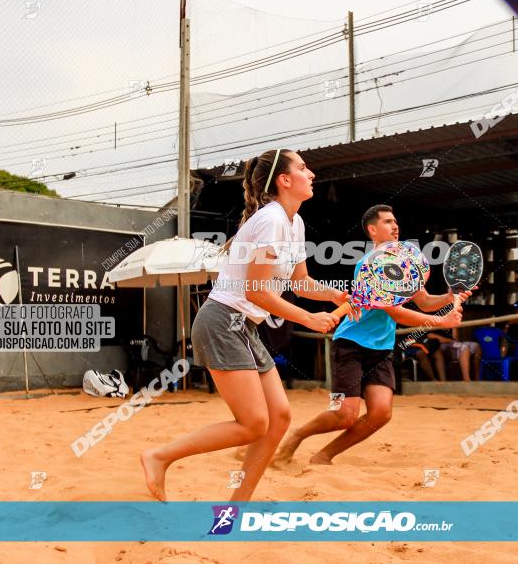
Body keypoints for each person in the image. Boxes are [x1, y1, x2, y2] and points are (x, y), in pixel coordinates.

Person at [140, 149, 354, 502]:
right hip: (222, 321)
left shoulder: (294, 222)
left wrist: (333, 295)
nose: (311, 173)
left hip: (244, 327)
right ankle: (158, 457)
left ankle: (236, 507)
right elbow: (256, 292)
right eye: (303, 168)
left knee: (280, 418)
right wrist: (308, 318)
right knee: (254, 423)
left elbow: (301, 282)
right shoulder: (270, 220)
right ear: (284, 180)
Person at [274, 204, 465, 465]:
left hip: (381, 347)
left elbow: (422, 301)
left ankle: (324, 456)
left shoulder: (407, 262)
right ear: (373, 230)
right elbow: (396, 313)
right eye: (387, 222)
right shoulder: (369, 265)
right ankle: (296, 436)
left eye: (396, 221)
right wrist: (440, 321)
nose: (395, 225)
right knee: (345, 414)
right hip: (351, 344)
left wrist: (449, 296)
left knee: (381, 414)